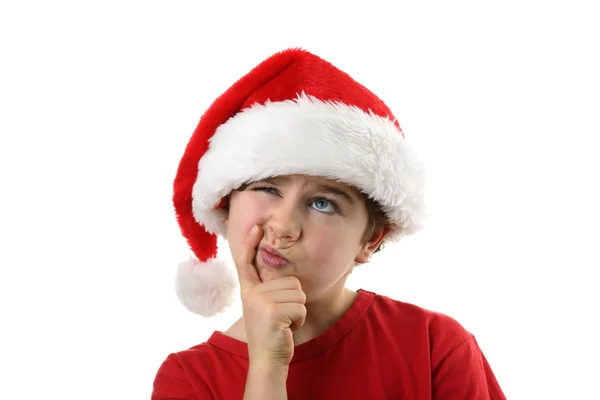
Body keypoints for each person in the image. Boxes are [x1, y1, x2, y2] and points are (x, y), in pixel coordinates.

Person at [152, 48, 506, 399]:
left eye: (322, 203)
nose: (285, 225)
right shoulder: (187, 380)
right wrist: (266, 367)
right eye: (267, 187)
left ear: (370, 239)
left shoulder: (434, 347)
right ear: (226, 205)